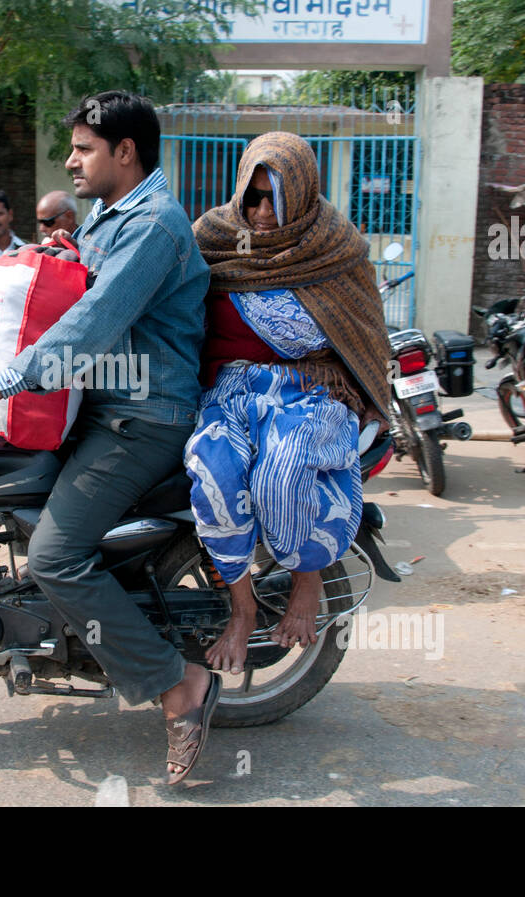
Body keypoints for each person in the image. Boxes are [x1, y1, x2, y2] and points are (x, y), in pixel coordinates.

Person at [0, 90, 221, 785]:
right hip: (98, 409)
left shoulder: (154, 225)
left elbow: (91, 323)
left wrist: (3, 380)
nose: (70, 160)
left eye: (84, 148)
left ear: (126, 152)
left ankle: (179, 684)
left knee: (56, 555)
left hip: (141, 417)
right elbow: (64, 290)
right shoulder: (109, 216)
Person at [185, 132, 389, 678]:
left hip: (312, 386)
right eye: (253, 196)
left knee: (283, 468)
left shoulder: (334, 243)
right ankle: (243, 605)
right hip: (230, 389)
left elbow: (363, 332)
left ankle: (306, 579)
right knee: (211, 466)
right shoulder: (215, 234)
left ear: (301, 191)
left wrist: (369, 398)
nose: (263, 211)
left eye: (275, 196)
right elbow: (161, 279)